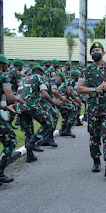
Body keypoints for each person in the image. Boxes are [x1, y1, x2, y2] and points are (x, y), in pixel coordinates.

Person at [77, 42, 106, 178]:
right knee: (94, 137)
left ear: (103, 53)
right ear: (91, 54)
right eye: (93, 51)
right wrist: (94, 89)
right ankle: (96, 160)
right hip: (92, 109)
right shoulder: (85, 71)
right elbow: (79, 88)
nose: (95, 52)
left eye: (98, 50)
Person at [17, 65, 61, 162]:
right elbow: (45, 94)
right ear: (41, 73)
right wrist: (53, 102)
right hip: (31, 105)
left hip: (20, 106)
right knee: (48, 122)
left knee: (28, 130)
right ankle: (32, 143)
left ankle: (29, 155)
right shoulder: (39, 77)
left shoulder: (24, 79)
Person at [0, 54, 25, 186]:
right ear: (4, 65)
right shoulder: (3, 76)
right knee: (11, 140)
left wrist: (5, 107)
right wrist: (18, 99)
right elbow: (9, 96)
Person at [6, 59, 23, 129]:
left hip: (5, 91)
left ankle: (9, 123)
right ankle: (11, 123)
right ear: (18, 66)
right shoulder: (16, 72)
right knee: (16, 108)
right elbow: (19, 84)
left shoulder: (8, 70)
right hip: (13, 93)